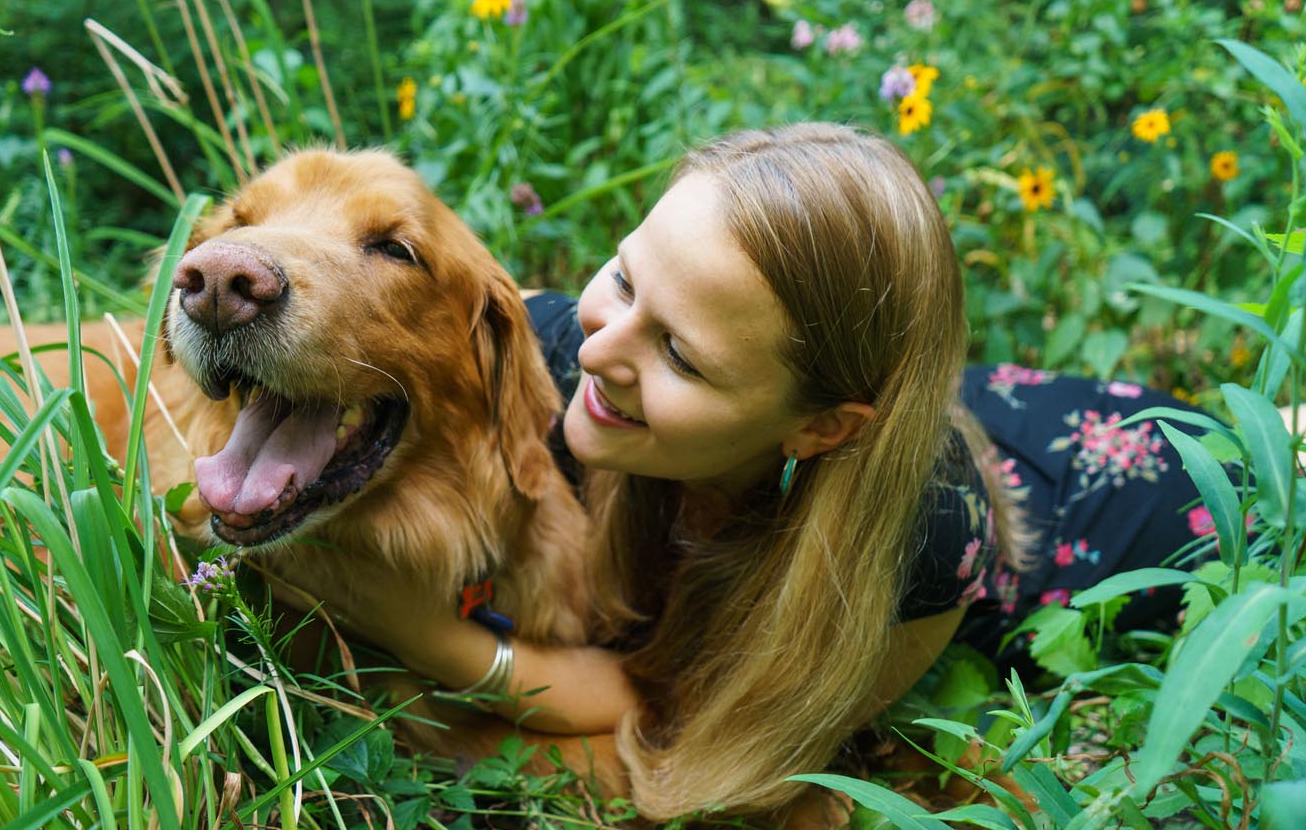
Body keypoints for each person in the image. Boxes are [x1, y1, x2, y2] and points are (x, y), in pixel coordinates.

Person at [336, 123, 1239, 824]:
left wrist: (435, 640)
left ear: (819, 426)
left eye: (681, 357)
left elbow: (687, 733)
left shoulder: (914, 547)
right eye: (622, 276)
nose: (600, 349)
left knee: (1249, 457)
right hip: (945, 404)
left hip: (1121, 497)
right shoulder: (573, 347)